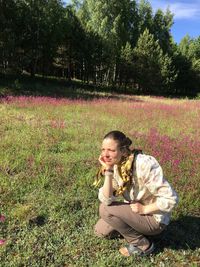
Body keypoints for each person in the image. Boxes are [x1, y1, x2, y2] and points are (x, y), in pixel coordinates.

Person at [93, 130, 178, 257]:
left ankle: (143, 245)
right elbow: (106, 199)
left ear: (123, 150)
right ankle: (135, 229)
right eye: (103, 149)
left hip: (154, 218)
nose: (105, 154)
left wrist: (145, 209)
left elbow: (171, 199)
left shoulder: (144, 164)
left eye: (111, 150)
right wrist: (109, 172)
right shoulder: (116, 165)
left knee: (105, 210)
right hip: (135, 211)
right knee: (100, 231)